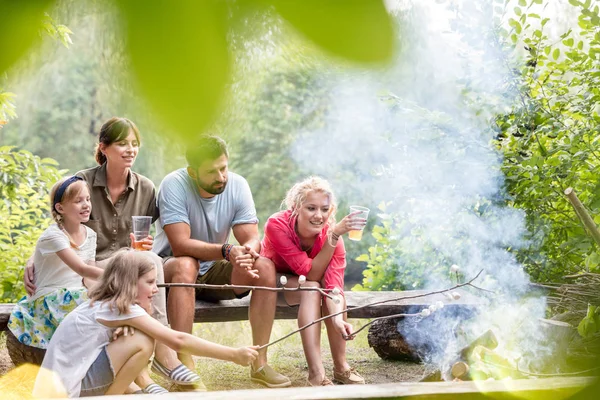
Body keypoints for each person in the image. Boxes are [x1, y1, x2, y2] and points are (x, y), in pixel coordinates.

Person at [24, 117, 200, 393]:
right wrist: (33, 259)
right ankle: (153, 367)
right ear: (103, 148)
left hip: (129, 266)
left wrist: (144, 244)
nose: (130, 149)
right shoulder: (81, 182)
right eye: (122, 144)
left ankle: (154, 363)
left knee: (149, 263)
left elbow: (145, 238)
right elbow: (60, 229)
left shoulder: (145, 188)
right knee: (145, 268)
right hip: (93, 269)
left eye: (134, 144)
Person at [153, 135, 291, 388]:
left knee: (265, 266)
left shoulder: (238, 185)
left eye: (224, 168)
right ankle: (184, 364)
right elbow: (180, 244)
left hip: (214, 268)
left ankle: (259, 362)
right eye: (212, 171)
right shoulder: (173, 184)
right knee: (186, 263)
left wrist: (246, 254)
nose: (221, 177)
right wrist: (228, 251)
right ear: (193, 172)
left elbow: (250, 237)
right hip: (172, 269)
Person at [33, 250, 258, 398]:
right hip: (69, 389)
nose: (154, 289)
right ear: (130, 283)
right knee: (143, 340)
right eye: (149, 282)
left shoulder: (107, 304)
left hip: (63, 384)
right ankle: (115, 395)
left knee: (134, 332)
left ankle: (129, 390)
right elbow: (178, 340)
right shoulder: (119, 308)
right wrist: (233, 354)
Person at [261, 176, 367, 386]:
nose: (319, 216)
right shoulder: (277, 225)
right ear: (296, 207)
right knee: (312, 287)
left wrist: (337, 319)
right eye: (311, 208)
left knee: (330, 294)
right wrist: (334, 236)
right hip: (273, 286)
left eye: (325, 209)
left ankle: (341, 366)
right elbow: (308, 273)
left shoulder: (333, 237)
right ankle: (316, 373)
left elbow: (334, 286)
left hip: (306, 288)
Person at [8, 176, 103, 353]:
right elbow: (81, 268)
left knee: (107, 303)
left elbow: (89, 277)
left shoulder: (90, 234)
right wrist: (119, 276)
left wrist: (102, 292)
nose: (86, 205)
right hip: (48, 297)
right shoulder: (54, 236)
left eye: (88, 199)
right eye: (78, 201)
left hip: (75, 295)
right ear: (60, 208)